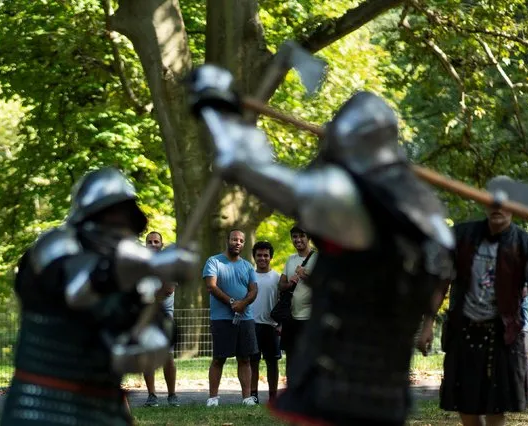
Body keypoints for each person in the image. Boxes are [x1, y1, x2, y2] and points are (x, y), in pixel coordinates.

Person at [191, 66, 456, 425]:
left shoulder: (361, 203)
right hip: (381, 383)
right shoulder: (418, 203)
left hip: (344, 379)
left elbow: (267, 178)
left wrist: (218, 114)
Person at [0, 167, 196, 425]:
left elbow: (160, 333)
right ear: (88, 216)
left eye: (124, 219)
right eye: (109, 217)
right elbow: (76, 287)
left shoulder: (133, 279)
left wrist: (149, 339)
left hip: (103, 411)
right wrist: (150, 263)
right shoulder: (55, 247)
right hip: (40, 407)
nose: (117, 227)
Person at [433, 206, 528, 426]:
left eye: (504, 203)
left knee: (496, 408)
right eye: (493, 202)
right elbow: (441, 282)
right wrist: (427, 325)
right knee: (465, 406)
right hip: (464, 333)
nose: (498, 208)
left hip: (503, 336)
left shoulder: (526, 245)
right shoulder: (462, 237)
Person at [202, 229, 259, 407]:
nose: (238, 243)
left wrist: (243, 304)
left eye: (241, 241)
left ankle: (247, 397)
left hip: (245, 318)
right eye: (234, 239)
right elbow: (211, 286)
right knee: (219, 358)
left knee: (245, 358)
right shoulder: (214, 261)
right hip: (221, 318)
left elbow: (254, 290)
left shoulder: (248, 266)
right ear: (228, 240)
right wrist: (232, 302)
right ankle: (213, 398)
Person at [142, 231, 179, 407]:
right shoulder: (140, 266)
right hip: (144, 318)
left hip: (164, 318)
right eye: (149, 241)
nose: (153, 244)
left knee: (167, 357)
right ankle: (152, 395)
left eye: (156, 241)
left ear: (161, 245)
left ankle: (172, 395)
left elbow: (168, 290)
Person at [278, 225, 317, 375]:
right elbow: (280, 286)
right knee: (291, 356)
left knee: (310, 356)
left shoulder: (318, 258)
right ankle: (291, 389)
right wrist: (289, 283)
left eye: (301, 236)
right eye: (294, 236)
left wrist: (304, 275)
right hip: (291, 317)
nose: (298, 239)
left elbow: (322, 285)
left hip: (310, 316)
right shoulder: (290, 260)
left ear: (308, 238)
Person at [249, 241, 282, 403]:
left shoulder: (277, 277)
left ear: (270, 257)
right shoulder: (249, 276)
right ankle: (253, 395)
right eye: (259, 255)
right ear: (254, 257)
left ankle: (273, 397)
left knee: (272, 363)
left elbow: (283, 302)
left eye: (265, 255)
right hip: (252, 325)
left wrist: (280, 324)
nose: (262, 258)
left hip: (272, 326)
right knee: (252, 362)